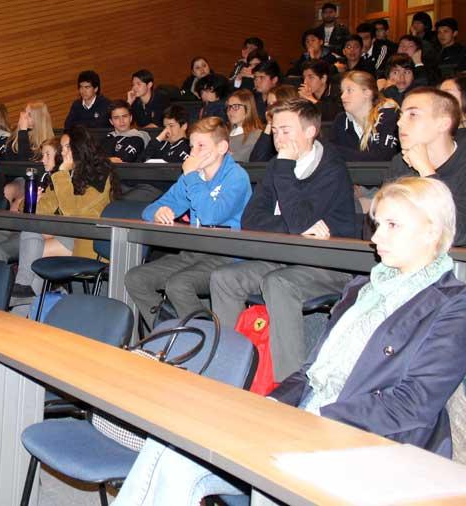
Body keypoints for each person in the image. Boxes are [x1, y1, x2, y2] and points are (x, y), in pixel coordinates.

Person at [114, 176, 466, 505]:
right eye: (378, 225)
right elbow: (309, 371)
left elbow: (412, 405)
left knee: (270, 476)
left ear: (431, 232)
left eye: (393, 226)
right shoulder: (363, 289)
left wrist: (314, 419)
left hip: (372, 442)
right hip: (309, 419)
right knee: (173, 448)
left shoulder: (452, 304)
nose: (376, 239)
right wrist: (271, 406)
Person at [211, 98, 357, 383]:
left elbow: (301, 220)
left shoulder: (331, 169)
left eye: (286, 130)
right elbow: (251, 219)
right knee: (223, 277)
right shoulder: (277, 166)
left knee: (279, 284)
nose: (278, 138)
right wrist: (291, 227)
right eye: (275, 130)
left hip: (329, 263)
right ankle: (227, 369)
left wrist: (286, 170)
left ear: (311, 131)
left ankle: (287, 383)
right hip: (285, 257)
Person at [123, 117, 252, 323]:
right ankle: (168, 332)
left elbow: (211, 215)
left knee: (178, 284)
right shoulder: (192, 178)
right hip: (193, 252)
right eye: (192, 146)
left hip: (226, 255)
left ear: (222, 147)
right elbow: (150, 209)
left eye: (201, 146)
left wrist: (191, 175)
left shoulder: (236, 177)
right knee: (136, 278)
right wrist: (158, 212)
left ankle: (203, 335)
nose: (193, 153)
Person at [14, 127, 115, 299]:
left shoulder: (101, 173)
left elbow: (73, 212)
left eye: (68, 147)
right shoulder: (66, 173)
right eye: (62, 148)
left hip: (88, 238)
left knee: (34, 253)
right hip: (64, 232)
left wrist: (61, 175)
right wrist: (30, 200)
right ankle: (23, 291)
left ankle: (23, 302)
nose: (64, 152)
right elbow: (42, 207)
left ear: (81, 147)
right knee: (30, 230)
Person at [386, 87, 466, 246]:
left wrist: (426, 172)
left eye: (413, 115)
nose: (399, 122)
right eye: (401, 115)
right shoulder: (400, 163)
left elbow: (457, 233)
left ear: (443, 124)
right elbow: (377, 225)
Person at [333, 71, 400, 162]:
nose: (342, 96)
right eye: (342, 92)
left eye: (349, 90)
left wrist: (334, 151)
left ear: (367, 92)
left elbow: (383, 158)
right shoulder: (341, 120)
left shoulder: (389, 116)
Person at [248, 84, 299, 162]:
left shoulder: (297, 129)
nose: (269, 109)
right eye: (268, 105)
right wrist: (269, 124)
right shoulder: (270, 129)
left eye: (274, 104)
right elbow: (256, 161)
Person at [225, 89, 263, 162]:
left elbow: (238, 159)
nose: (230, 111)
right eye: (229, 107)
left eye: (236, 107)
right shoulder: (224, 132)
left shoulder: (256, 135)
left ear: (248, 109)